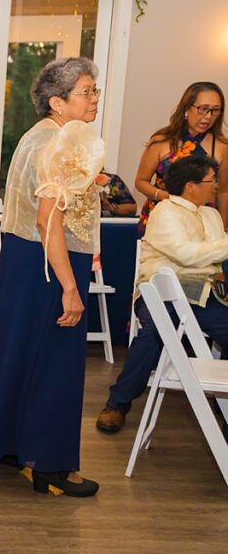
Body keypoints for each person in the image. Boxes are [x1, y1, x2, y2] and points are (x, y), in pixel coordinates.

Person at [0, 56, 105, 497]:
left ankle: (3, 446)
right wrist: (70, 287)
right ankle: (51, 465)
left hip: (23, 260)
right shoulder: (63, 143)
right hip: (51, 263)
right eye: (86, 91)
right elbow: (48, 219)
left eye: (95, 90)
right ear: (58, 101)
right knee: (56, 363)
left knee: (13, 350)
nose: (94, 98)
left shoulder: (36, 136)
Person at [97, 156, 228, 432]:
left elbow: (208, 258)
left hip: (203, 294)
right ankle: (117, 404)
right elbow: (186, 254)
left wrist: (212, 259)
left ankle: (223, 406)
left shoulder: (212, 215)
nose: (217, 185)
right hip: (161, 294)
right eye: (212, 180)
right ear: (191, 186)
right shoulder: (165, 211)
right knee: (154, 331)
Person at [135, 82, 227, 233]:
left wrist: (221, 229)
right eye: (203, 109)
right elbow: (140, 182)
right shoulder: (161, 140)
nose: (208, 116)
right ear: (186, 108)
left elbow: (223, 191)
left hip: (203, 222)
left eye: (215, 110)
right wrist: (165, 196)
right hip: (163, 219)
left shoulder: (222, 146)